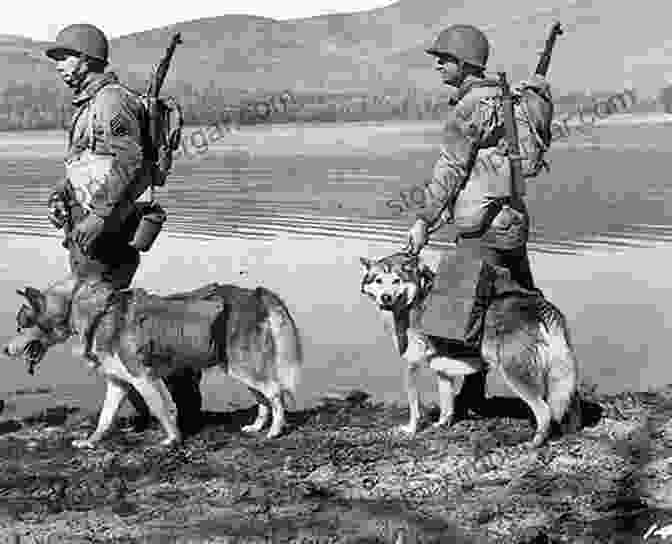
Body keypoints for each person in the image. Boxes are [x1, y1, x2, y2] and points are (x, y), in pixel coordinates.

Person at [44, 23, 203, 434]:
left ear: (89, 58)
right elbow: (87, 163)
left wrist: (97, 215)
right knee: (107, 327)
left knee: (110, 328)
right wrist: (61, 197)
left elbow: (129, 162)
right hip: (90, 229)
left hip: (108, 232)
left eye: (65, 56)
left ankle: (175, 396)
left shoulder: (111, 102)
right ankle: (155, 405)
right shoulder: (89, 104)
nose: (59, 65)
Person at [405, 24, 553, 416]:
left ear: (464, 62)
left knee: (453, 316)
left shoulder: (470, 106)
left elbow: (450, 168)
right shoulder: (508, 100)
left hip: (480, 230)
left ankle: (469, 401)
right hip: (511, 225)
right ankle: (552, 389)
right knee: (530, 312)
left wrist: (424, 219)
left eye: (444, 59)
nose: (438, 65)